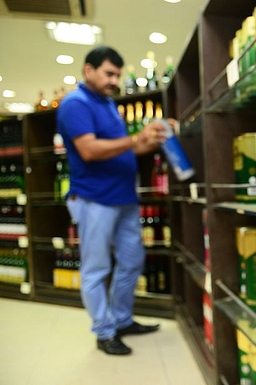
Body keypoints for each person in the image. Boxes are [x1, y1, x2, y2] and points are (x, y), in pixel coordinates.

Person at [57, 46, 172, 355]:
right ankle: (104, 331)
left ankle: (121, 319)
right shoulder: (75, 104)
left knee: (132, 261)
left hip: (124, 199)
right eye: (109, 73)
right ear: (88, 71)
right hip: (95, 199)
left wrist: (154, 139)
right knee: (96, 268)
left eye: (117, 75)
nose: (114, 80)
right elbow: (90, 150)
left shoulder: (108, 105)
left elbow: (127, 150)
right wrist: (137, 137)